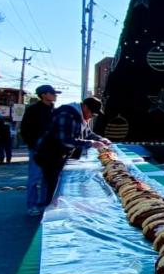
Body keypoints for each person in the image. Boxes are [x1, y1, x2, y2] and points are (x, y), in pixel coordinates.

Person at [35, 97, 109, 207]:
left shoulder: (81, 116)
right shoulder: (67, 114)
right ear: (84, 107)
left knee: (55, 183)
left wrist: (100, 139)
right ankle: (47, 208)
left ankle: (49, 203)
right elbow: (65, 140)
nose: (91, 116)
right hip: (50, 154)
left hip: (60, 155)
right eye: (92, 113)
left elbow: (88, 133)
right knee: (51, 183)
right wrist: (91, 143)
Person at [20, 85, 59, 216]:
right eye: (52, 93)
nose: (55, 95)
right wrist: (33, 145)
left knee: (48, 178)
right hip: (37, 150)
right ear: (43, 95)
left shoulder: (54, 111)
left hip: (51, 151)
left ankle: (44, 204)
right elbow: (24, 130)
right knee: (34, 178)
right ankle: (31, 205)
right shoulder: (33, 110)